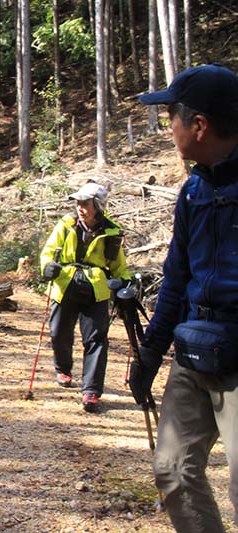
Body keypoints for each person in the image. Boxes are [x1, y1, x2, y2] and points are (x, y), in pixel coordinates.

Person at [131, 64, 238, 532]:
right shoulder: (193, 190)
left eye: (171, 114)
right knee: (172, 469)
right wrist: (151, 352)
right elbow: (175, 275)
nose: (167, 125)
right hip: (194, 348)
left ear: (199, 125)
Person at [40, 181, 131, 413]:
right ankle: (63, 369)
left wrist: (122, 281)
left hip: (96, 289)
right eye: (78, 203)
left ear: (98, 205)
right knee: (58, 331)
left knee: (96, 340)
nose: (80, 207)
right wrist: (47, 266)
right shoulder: (66, 224)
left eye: (85, 203)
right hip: (65, 283)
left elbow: (119, 264)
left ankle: (91, 390)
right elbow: (49, 252)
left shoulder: (112, 231)